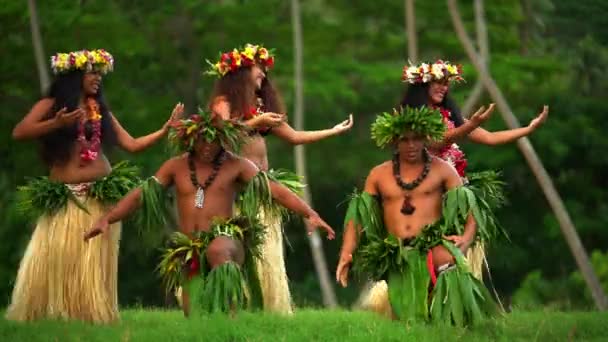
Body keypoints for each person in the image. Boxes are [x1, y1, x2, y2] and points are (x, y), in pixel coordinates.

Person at [84, 110, 335, 317]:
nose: (207, 146)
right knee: (192, 312)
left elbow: (276, 191)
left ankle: (231, 321)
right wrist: (108, 217)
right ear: (190, 140)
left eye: (214, 140)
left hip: (226, 236)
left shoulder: (237, 164)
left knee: (218, 251)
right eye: (202, 140)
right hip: (189, 244)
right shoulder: (176, 166)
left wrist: (309, 213)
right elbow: (142, 193)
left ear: (224, 140)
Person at [6, 49, 182, 323]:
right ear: (75, 75)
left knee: (94, 261)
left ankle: (91, 312)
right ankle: (56, 310)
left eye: (100, 73)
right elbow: (19, 132)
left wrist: (165, 129)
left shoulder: (99, 111)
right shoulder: (51, 105)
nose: (98, 78)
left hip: (100, 199)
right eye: (92, 72)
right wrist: (56, 123)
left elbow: (132, 145)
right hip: (66, 200)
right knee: (60, 257)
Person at [205, 44, 353, 313]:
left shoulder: (260, 106)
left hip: (263, 190)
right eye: (258, 68)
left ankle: (267, 303)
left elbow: (294, 137)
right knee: (237, 251)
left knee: (265, 255)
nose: (263, 73)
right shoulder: (223, 104)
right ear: (240, 73)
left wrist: (332, 131)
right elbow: (221, 134)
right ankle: (236, 303)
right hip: (236, 193)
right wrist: (254, 122)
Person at [336, 106, 500, 326]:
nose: (411, 145)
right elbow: (357, 216)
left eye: (417, 138)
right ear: (394, 141)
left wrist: (466, 238)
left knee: (450, 318)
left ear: (426, 139)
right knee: (405, 320)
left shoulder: (443, 170)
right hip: (397, 255)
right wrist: (347, 253)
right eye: (404, 140)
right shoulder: (379, 174)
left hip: (435, 249)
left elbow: (470, 207)